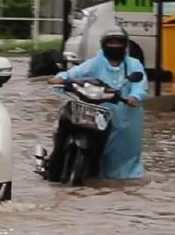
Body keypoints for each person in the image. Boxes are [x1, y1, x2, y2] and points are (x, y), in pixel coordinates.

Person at [48, 27, 148, 179]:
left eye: (118, 43)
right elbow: (75, 73)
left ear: (125, 45)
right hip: (97, 112)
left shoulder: (134, 65)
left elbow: (140, 85)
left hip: (126, 115)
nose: (114, 46)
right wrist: (61, 78)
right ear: (103, 45)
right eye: (111, 43)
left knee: (124, 153)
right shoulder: (95, 63)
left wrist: (134, 97)